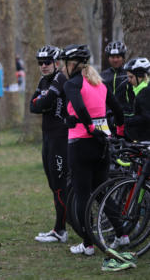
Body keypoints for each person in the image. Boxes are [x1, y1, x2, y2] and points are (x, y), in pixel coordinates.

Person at [60, 44, 125, 256]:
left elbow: (79, 107)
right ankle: (121, 234)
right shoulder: (100, 83)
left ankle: (88, 244)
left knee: (82, 195)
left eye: (65, 64)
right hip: (102, 144)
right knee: (102, 191)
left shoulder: (73, 84)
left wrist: (87, 126)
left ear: (74, 65)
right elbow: (116, 108)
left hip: (81, 144)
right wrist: (120, 130)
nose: (63, 68)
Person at [30, 45, 69, 243]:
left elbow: (44, 103)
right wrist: (42, 101)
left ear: (56, 62)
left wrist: (43, 101)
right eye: (40, 63)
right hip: (47, 137)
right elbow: (32, 106)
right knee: (53, 185)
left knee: (60, 185)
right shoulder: (43, 80)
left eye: (47, 62)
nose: (43, 66)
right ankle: (60, 227)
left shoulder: (59, 78)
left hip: (60, 137)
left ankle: (60, 230)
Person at [100, 41, 134, 119]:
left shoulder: (129, 74)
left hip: (126, 116)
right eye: (112, 57)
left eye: (118, 57)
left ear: (123, 58)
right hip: (107, 117)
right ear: (108, 58)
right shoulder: (102, 75)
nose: (115, 60)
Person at [123, 57, 150, 142]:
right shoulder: (141, 89)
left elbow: (146, 117)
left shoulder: (145, 92)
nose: (129, 80)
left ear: (140, 76)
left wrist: (126, 120)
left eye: (131, 77)